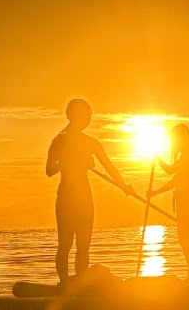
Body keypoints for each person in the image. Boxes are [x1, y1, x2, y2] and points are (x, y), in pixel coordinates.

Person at [46, 99, 134, 284]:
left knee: (83, 246)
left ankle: (78, 285)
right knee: (65, 245)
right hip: (66, 199)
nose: (89, 119)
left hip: (85, 199)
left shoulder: (91, 142)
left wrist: (124, 186)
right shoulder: (59, 141)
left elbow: (109, 167)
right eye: (87, 115)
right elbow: (49, 170)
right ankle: (64, 285)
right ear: (73, 116)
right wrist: (67, 161)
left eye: (90, 116)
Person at [147, 123, 189, 281]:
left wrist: (157, 157)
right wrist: (154, 193)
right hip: (184, 201)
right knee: (186, 239)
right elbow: (175, 181)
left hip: (188, 201)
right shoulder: (185, 157)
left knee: (187, 239)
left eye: (174, 139)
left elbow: (169, 171)